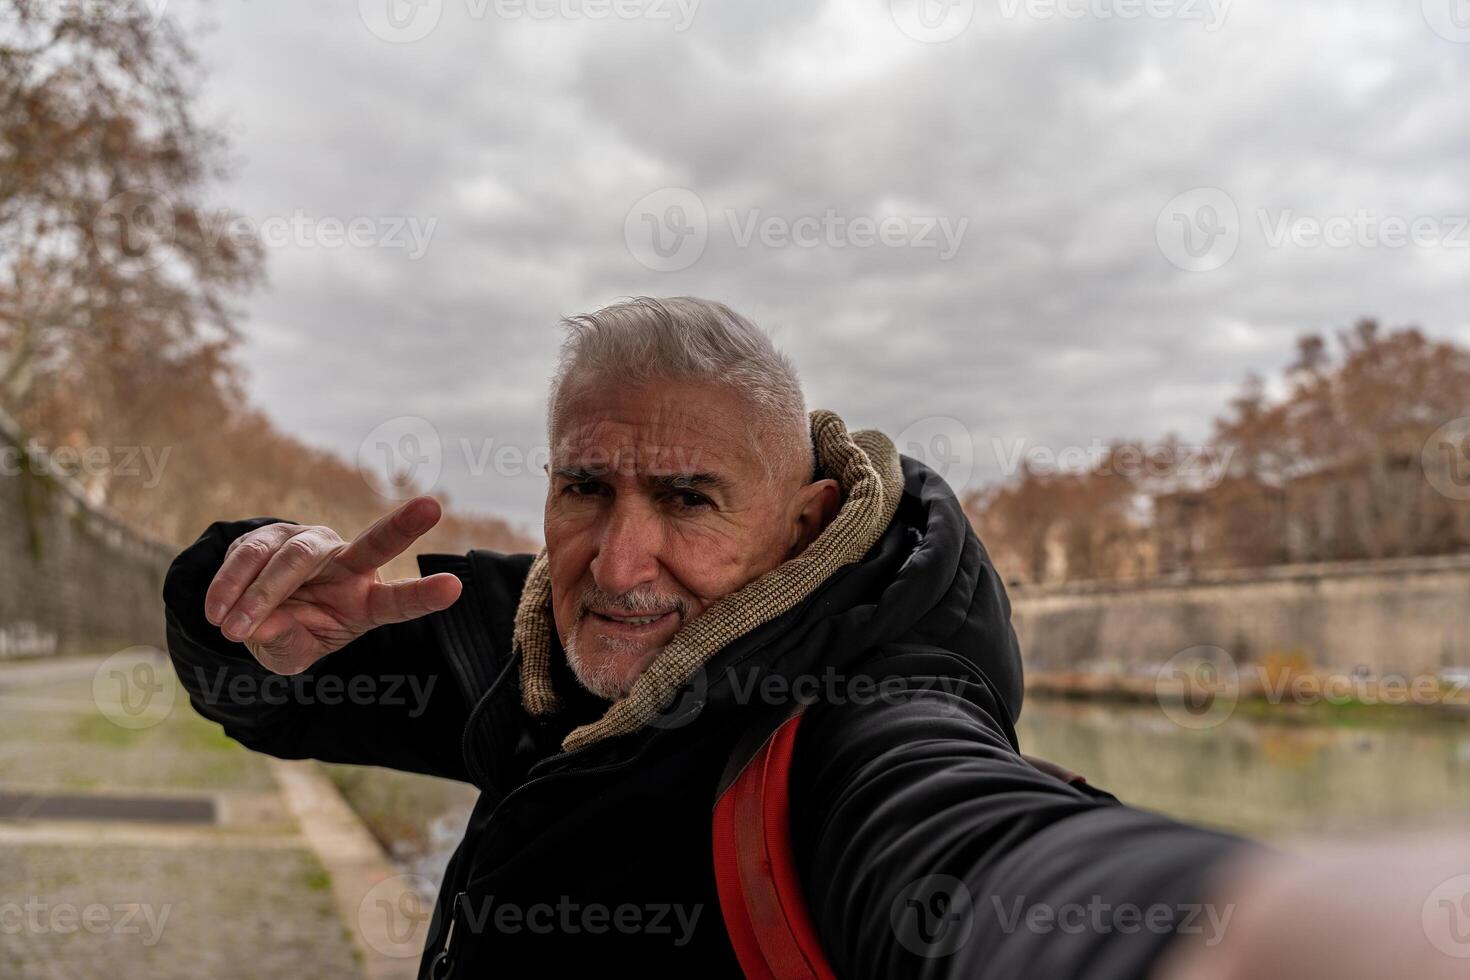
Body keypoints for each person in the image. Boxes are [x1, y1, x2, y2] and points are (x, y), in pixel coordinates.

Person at [163, 296, 1470, 979]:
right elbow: (272, 698)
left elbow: (975, 851)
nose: (619, 560)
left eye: (686, 500)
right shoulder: (515, 631)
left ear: (801, 523)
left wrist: (1236, 936)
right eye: (585, 488)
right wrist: (246, 604)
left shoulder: (856, 732)